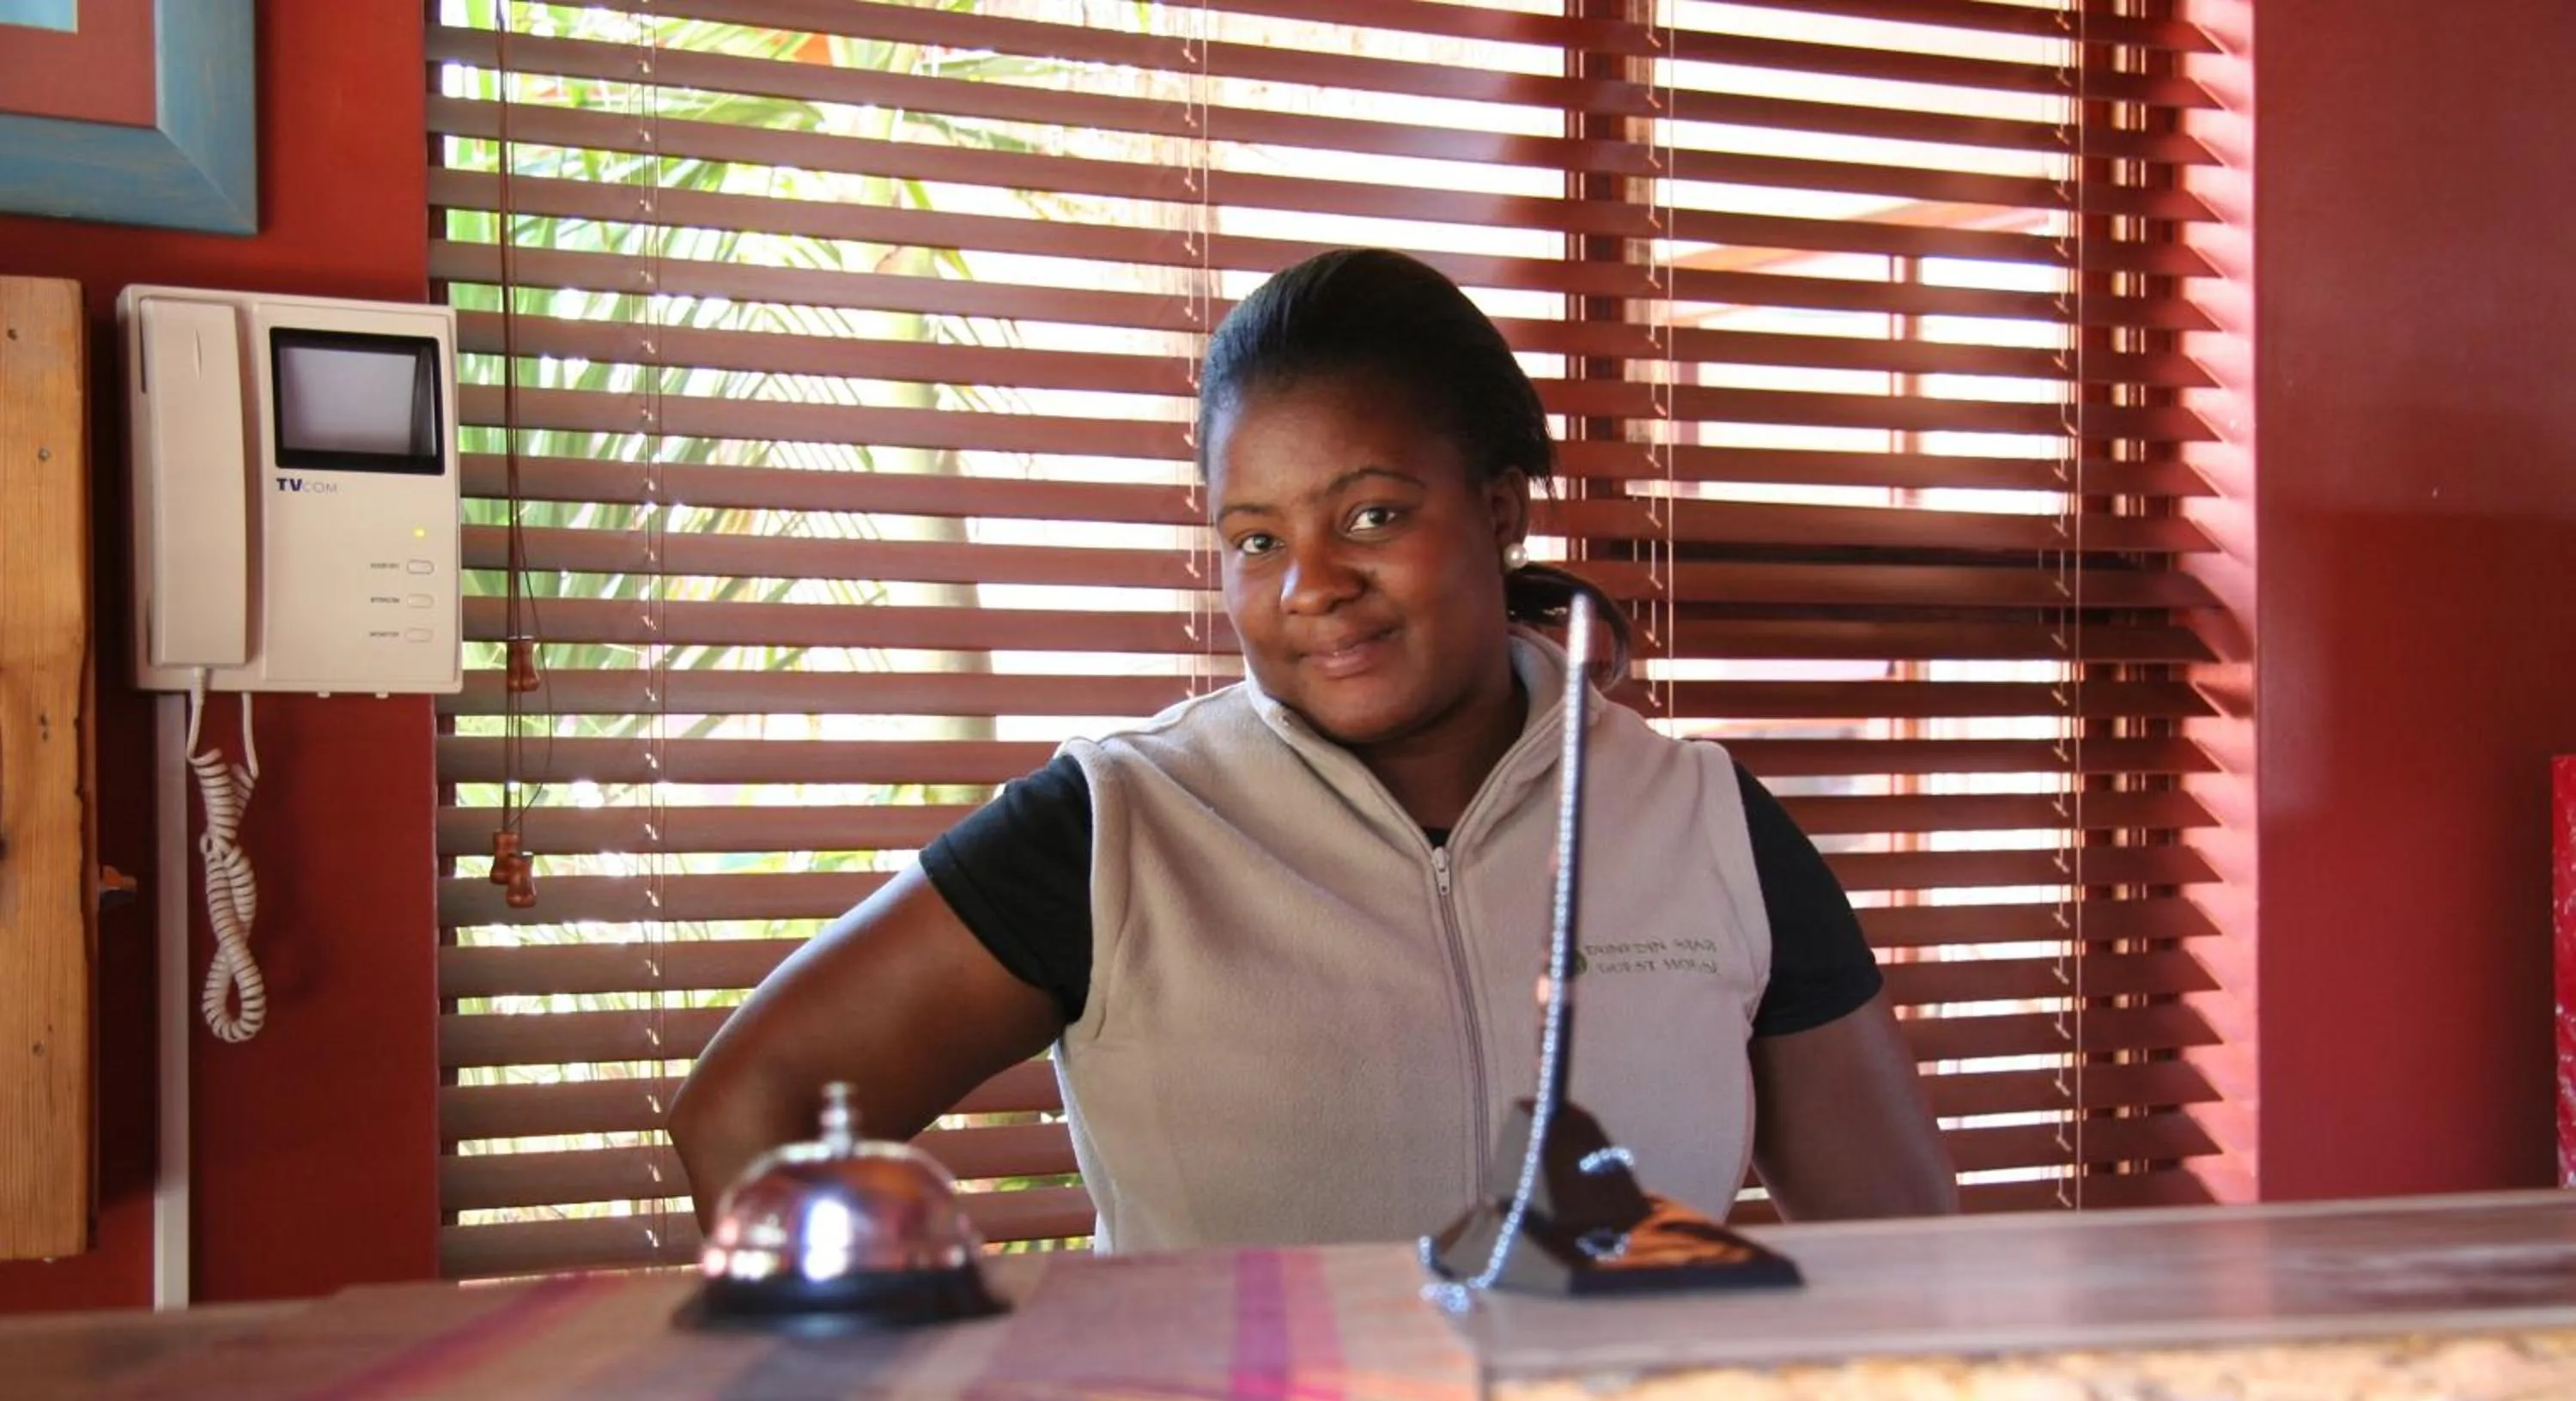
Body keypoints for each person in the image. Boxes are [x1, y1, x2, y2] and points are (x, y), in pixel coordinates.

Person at [670, 247, 1956, 1248]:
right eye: (1256, 538)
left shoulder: (1704, 822)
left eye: (1373, 515)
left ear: (1501, 507)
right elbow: (753, 1107)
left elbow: (1900, 1248)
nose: (1311, 587)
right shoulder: (1118, 827)